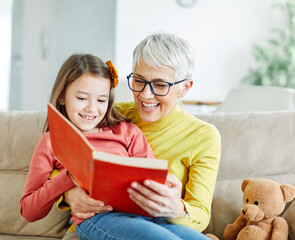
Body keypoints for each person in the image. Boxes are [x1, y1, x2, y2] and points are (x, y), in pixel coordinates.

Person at [61, 33, 221, 240]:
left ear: (184, 88)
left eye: (160, 85)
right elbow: (58, 154)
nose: (145, 95)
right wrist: (69, 194)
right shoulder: (110, 114)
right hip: (99, 220)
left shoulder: (203, 136)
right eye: (139, 81)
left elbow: (201, 215)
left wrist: (176, 209)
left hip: (158, 222)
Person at [20, 53, 156, 228]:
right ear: (62, 96)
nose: (92, 108)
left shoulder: (127, 132)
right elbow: (29, 211)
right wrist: (68, 178)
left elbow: (151, 181)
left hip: (143, 217)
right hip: (96, 220)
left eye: (101, 100)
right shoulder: (50, 141)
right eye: (82, 98)